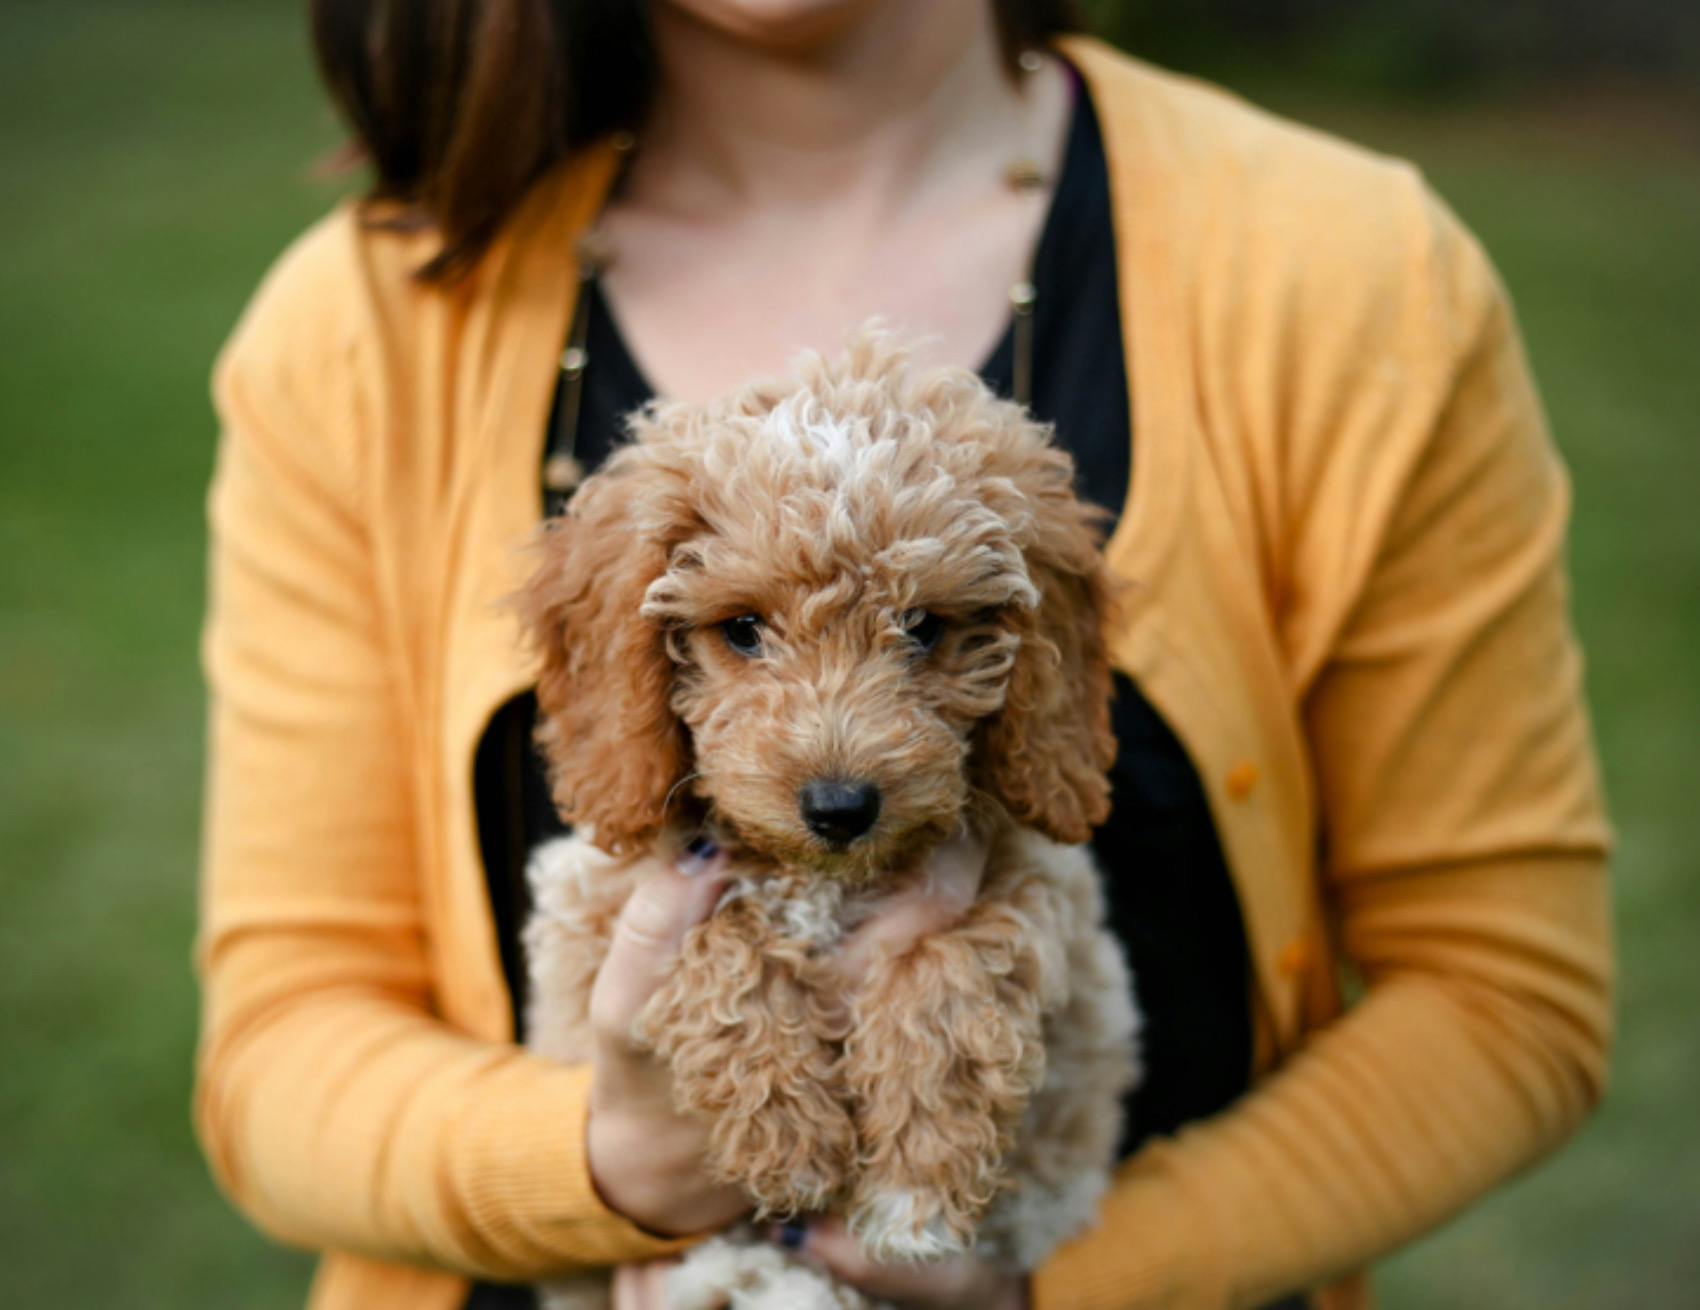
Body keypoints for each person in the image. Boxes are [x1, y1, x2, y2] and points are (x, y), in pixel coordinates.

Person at [192, 2, 1614, 1309]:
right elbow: (273, 1051)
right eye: (742, 629)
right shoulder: (355, 335)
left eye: (934, 629)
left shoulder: (1355, 276)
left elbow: (1504, 997)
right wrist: (609, 1158)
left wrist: (1059, 1285)